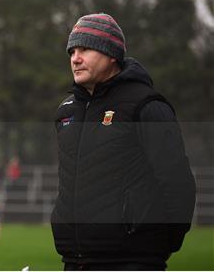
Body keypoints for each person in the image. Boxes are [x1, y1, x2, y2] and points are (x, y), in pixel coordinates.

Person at [51, 13, 196, 270]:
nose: (75, 58)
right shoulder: (67, 111)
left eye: (85, 48)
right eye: (72, 51)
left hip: (132, 261)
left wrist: (157, 247)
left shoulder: (146, 106)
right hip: (75, 261)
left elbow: (177, 183)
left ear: (111, 54)